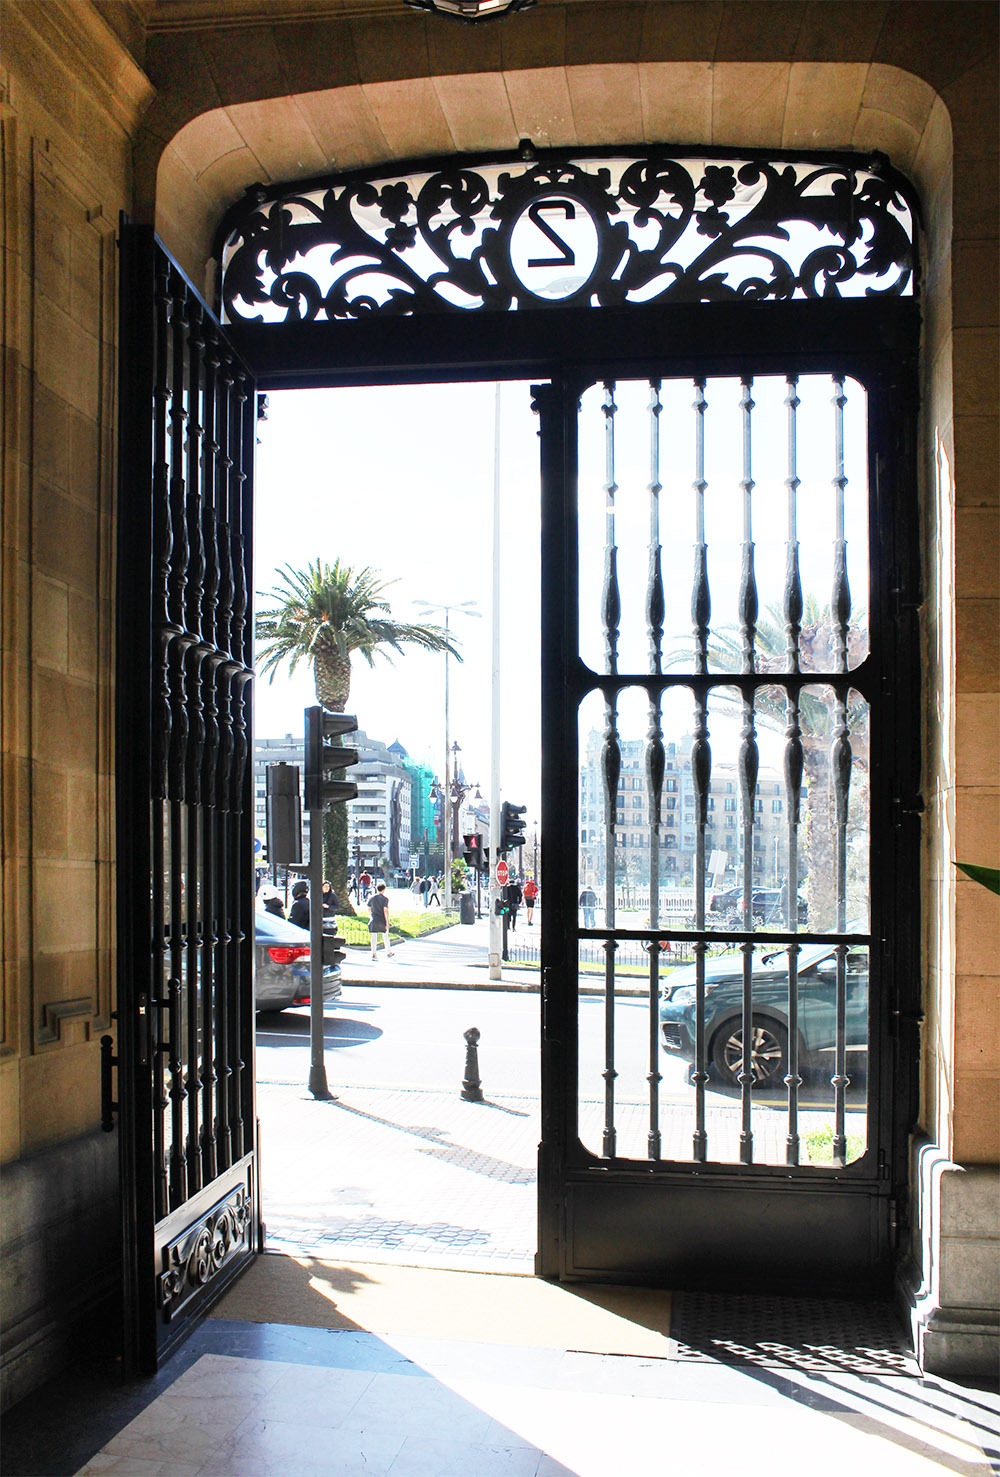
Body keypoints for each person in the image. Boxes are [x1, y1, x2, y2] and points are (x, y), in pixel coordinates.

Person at [367, 882, 394, 960]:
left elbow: (369, 908)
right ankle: (388, 952)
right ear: (384, 890)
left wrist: (371, 915)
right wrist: (387, 922)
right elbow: (385, 910)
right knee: (385, 936)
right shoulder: (385, 899)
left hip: (374, 919)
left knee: (373, 937)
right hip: (382, 919)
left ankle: (374, 953)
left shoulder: (372, 898)